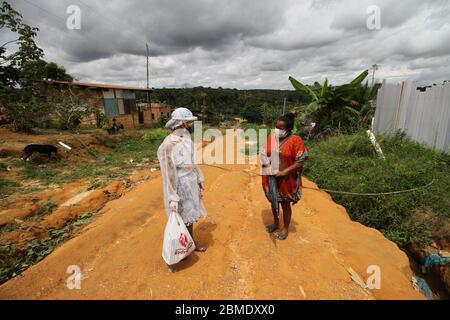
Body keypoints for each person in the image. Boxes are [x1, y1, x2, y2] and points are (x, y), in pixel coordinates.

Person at [157, 107, 207, 253]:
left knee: (190, 216)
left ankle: (190, 243)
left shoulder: (185, 138)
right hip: (180, 185)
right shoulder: (168, 145)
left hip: (190, 182)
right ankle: (180, 248)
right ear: (182, 123)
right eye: (188, 122)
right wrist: (172, 196)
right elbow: (169, 173)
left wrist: (198, 179)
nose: (190, 125)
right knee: (180, 218)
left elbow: (193, 161)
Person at [260, 113, 308, 240]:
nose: (277, 130)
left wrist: (283, 172)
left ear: (288, 129)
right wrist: (267, 165)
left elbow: (300, 162)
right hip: (270, 177)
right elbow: (263, 153)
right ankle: (276, 222)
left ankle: (285, 227)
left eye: (280, 128)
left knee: (285, 204)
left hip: (286, 179)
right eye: (276, 126)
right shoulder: (271, 137)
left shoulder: (296, 140)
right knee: (273, 200)